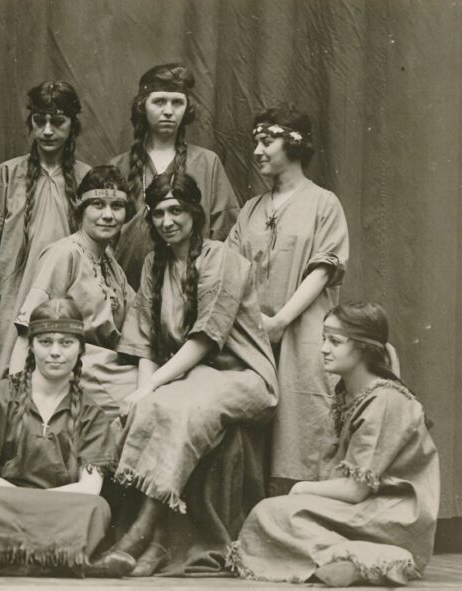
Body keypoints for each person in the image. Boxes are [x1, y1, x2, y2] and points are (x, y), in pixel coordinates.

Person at [105, 173, 277, 576]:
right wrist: (144, 392)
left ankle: (141, 534)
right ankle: (160, 544)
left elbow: (205, 339)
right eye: (159, 213)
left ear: (195, 214)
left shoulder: (223, 259)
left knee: (180, 410)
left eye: (177, 211)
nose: (167, 221)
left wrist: (150, 384)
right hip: (192, 375)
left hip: (243, 375)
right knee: (150, 408)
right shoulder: (153, 263)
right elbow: (144, 337)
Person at [229, 302, 438, 587]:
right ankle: (346, 561)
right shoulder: (352, 393)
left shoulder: (385, 401)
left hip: (391, 516)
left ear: (364, 348)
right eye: (324, 339)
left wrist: (301, 490)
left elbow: (355, 489)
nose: (324, 348)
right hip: (365, 508)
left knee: (272, 513)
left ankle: (378, 557)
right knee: (271, 514)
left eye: (335, 341)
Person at [0, 299, 134, 578]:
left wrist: (38, 504)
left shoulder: (91, 413)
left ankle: (2, 558)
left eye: (66, 343)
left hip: (59, 508)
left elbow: (89, 489)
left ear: (80, 349)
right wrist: (31, 503)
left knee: (96, 509)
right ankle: (61, 559)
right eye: (45, 342)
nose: (55, 352)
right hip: (3, 502)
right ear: (31, 346)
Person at [227, 105, 350, 494]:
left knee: (303, 424)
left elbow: (323, 269)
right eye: (255, 143)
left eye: (267, 141)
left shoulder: (323, 203)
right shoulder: (250, 209)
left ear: (294, 144)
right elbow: (228, 270)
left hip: (304, 333)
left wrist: (280, 322)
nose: (258, 151)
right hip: (251, 335)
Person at [7, 165, 138, 417]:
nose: (108, 215)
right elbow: (28, 327)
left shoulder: (112, 267)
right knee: (148, 400)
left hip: (110, 366)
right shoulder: (64, 253)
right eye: (98, 205)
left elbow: (138, 321)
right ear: (81, 209)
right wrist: (14, 394)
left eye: (117, 207)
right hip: (76, 367)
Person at [0, 81, 91, 376]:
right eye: (39, 121)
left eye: (57, 122)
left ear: (72, 126)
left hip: (66, 294)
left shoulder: (86, 177)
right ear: (30, 123)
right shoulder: (7, 174)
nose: (47, 130)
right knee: (10, 372)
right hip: (13, 294)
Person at [110, 63, 240, 286]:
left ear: (187, 108)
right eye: (159, 101)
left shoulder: (207, 163)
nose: (168, 111)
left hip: (192, 287)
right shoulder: (119, 165)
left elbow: (227, 234)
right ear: (143, 106)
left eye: (177, 102)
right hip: (130, 288)